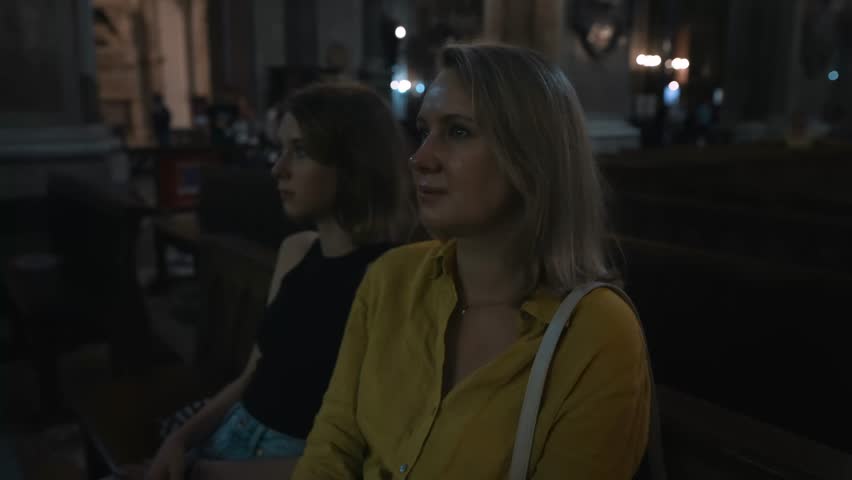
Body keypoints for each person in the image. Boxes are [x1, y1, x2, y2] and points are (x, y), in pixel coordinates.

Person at [291, 44, 651, 479]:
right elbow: (332, 445)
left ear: (531, 155)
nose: (420, 158)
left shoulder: (597, 333)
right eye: (423, 131)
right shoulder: (392, 278)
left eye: (458, 132)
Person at [142, 82, 414, 480]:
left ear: (353, 164)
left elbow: (361, 455)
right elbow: (255, 373)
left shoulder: (388, 277)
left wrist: (204, 472)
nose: (277, 168)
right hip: (232, 431)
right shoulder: (297, 250)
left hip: (290, 463)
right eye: (281, 148)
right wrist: (180, 441)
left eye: (300, 152)